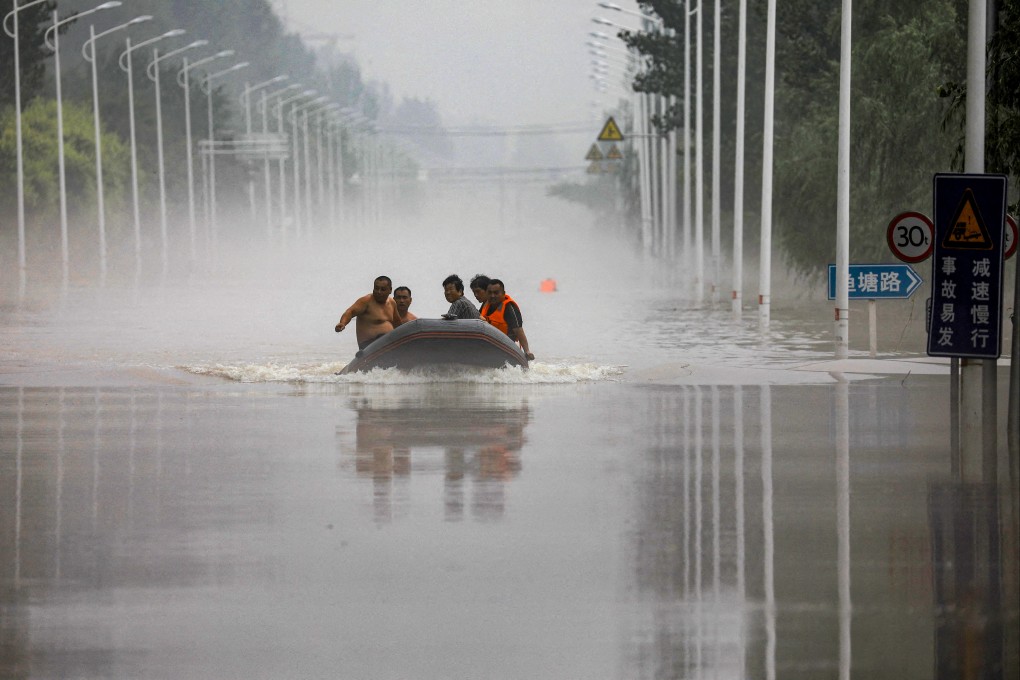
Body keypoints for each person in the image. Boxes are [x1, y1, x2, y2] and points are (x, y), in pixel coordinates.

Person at [334, 275, 403, 350]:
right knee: (384, 338)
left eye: (382, 289)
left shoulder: (392, 303)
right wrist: (342, 323)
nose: (379, 292)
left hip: (387, 343)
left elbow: (397, 322)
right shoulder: (366, 301)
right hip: (368, 346)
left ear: (390, 290)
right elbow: (350, 312)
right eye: (376, 288)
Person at [482, 278, 535, 361]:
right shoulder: (486, 304)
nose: (492, 296)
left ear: (503, 293)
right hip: (488, 346)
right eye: (490, 293)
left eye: (496, 293)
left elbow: (519, 330)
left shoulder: (509, 308)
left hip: (505, 347)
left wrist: (527, 351)